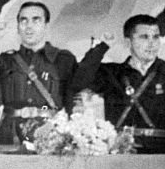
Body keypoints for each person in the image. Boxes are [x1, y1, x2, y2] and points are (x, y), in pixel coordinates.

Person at [0, 2, 77, 146]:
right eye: (23, 20)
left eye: (36, 20)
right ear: (18, 27)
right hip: (10, 135)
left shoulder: (63, 59)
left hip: (49, 134)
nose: (28, 26)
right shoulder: (6, 60)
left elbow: (72, 100)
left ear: (46, 26)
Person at [70, 14, 165, 153]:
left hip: (160, 154)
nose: (152, 43)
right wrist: (101, 48)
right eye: (144, 37)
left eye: (156, 37)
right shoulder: (112, 73)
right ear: (128, 42)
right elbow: (78, 81)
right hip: (119, 152)